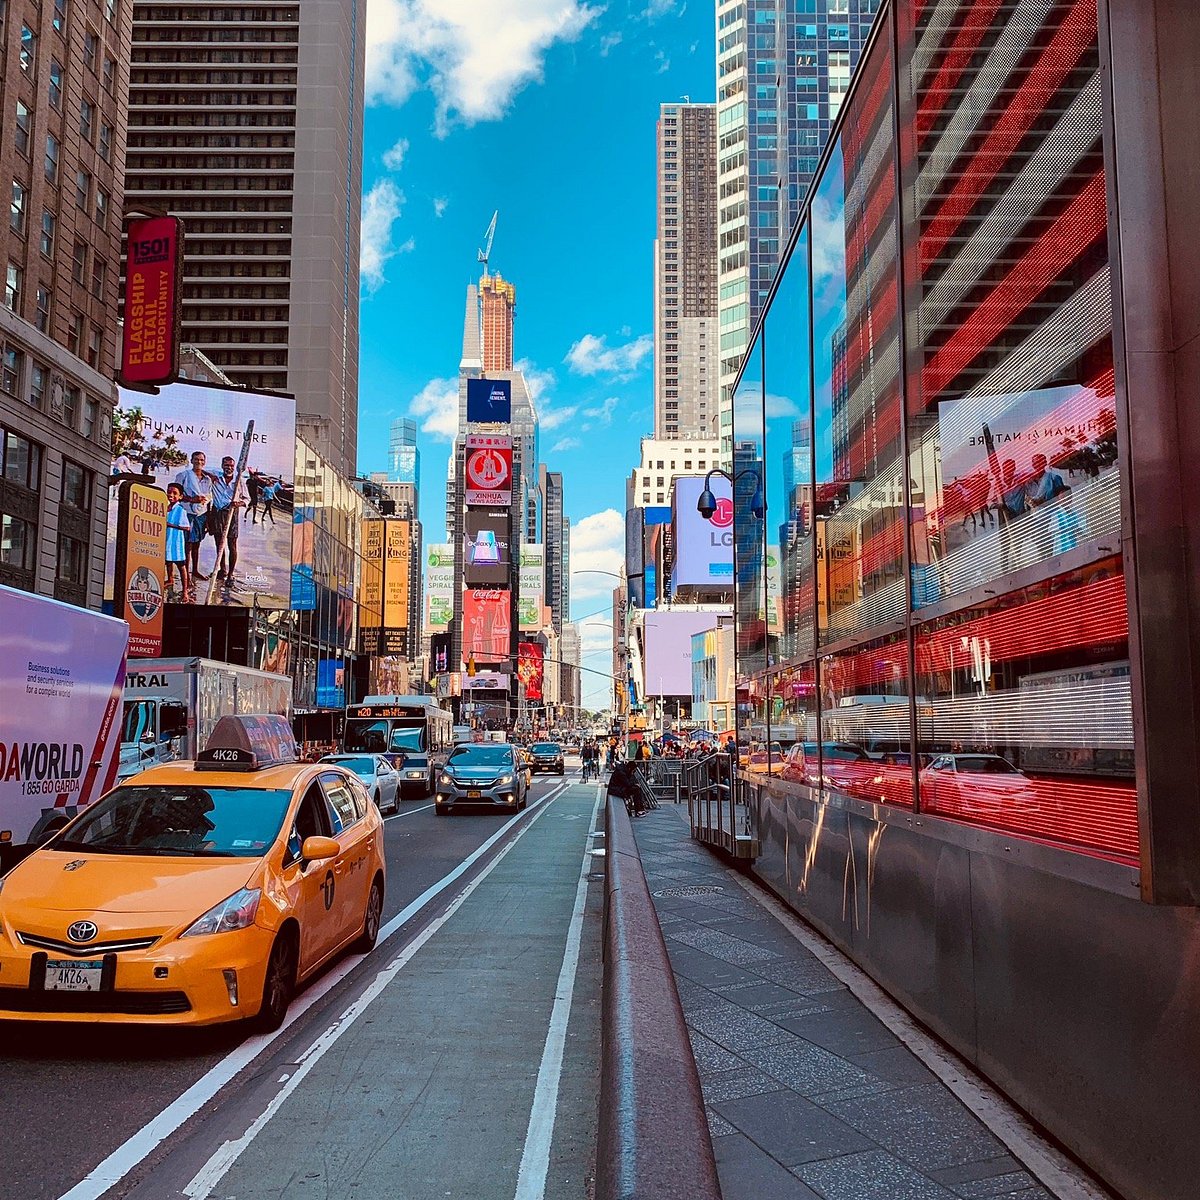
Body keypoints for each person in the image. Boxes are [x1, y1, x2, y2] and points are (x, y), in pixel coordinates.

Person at [206, 455, 250, 584]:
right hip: (217, 512)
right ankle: (222, 570)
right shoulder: (216, 477)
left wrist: (238, 503)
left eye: (231, 466)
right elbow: (200, 470)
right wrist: (210, 476)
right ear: (222, 466)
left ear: (235, 467)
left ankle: (230, 574)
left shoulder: (239, 481)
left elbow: (247, 499)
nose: (228, 468)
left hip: (231, 513)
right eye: (226, 465)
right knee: (219, 544)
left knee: (232, 545)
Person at [174, 451, 213, 582]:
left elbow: (208, 499)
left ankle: (195, 571)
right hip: (187, 513)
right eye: (196, 459)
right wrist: (192, 499)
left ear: (205, 462)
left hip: (201, 514)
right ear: (191, 460)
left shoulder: (207, 480)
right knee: (187, 545)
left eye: (201, 460)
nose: (199, 462)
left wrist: (208, 519)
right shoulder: (183, 475)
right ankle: (185, 575)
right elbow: (175, 495)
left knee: (197, 544)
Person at [164, 482, 190, 600]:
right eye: (169, 492)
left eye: (175, 493)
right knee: (168, 561)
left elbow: (187, 527)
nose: (171, 495)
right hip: (167, 539)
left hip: (176, 542)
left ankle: (185, 591)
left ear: (180, 496)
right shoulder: (166, 507)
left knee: (181, 566)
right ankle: (170, 579)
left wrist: (169, 525)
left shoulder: (180, 510)